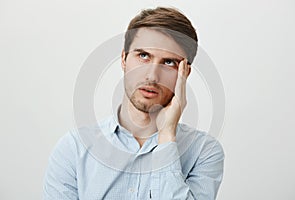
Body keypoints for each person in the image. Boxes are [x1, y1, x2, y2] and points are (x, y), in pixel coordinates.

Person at [43, 7, 224, 200]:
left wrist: (166, 135)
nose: (152, 76)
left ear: (185, 73)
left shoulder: (204, 152)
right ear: (123, 59)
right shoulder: (74, 148)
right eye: (143, 56)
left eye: (169, 62)